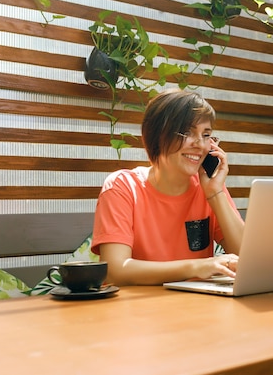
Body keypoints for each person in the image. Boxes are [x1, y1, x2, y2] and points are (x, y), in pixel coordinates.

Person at [91, 89, 244, 285]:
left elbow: (248, 258)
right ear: (158, 136)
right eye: (188, 132)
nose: (200, 144)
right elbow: (114, 270)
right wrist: (197, 266)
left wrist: (215, 193)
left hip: (197, 307)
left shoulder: (209, 188)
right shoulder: (123, 187)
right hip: (137, 308)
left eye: (206, 135)